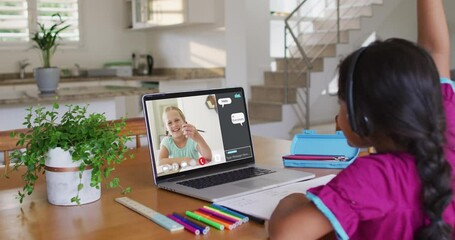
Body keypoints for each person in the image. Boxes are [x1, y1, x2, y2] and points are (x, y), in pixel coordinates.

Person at [268, 0, 455, 239]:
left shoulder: (374, 176)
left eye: (342, 102)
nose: (338, 115)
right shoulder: (447, 121)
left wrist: (292, 199)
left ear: (362, 117)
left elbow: (287, 233)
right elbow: (435, 51)